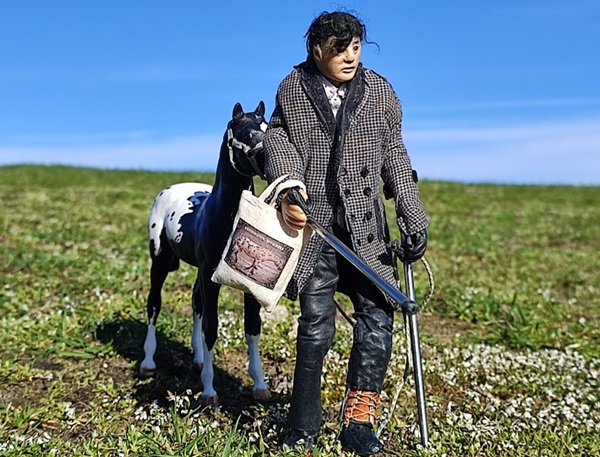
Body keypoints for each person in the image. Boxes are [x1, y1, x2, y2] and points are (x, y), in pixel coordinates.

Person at [263, 11, 428, 456]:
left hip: (367, 230)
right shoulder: (292, 88)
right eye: (340, 49)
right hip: (317, 231)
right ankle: (303, 423)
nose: (350, 57)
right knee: (316, 325)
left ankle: (359, 420)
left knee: (377, 317)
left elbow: (395, 154)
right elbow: (278, 141)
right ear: (317, 49)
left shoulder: (379, 92)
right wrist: (289, 189)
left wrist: (412, 215)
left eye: (355, 47)